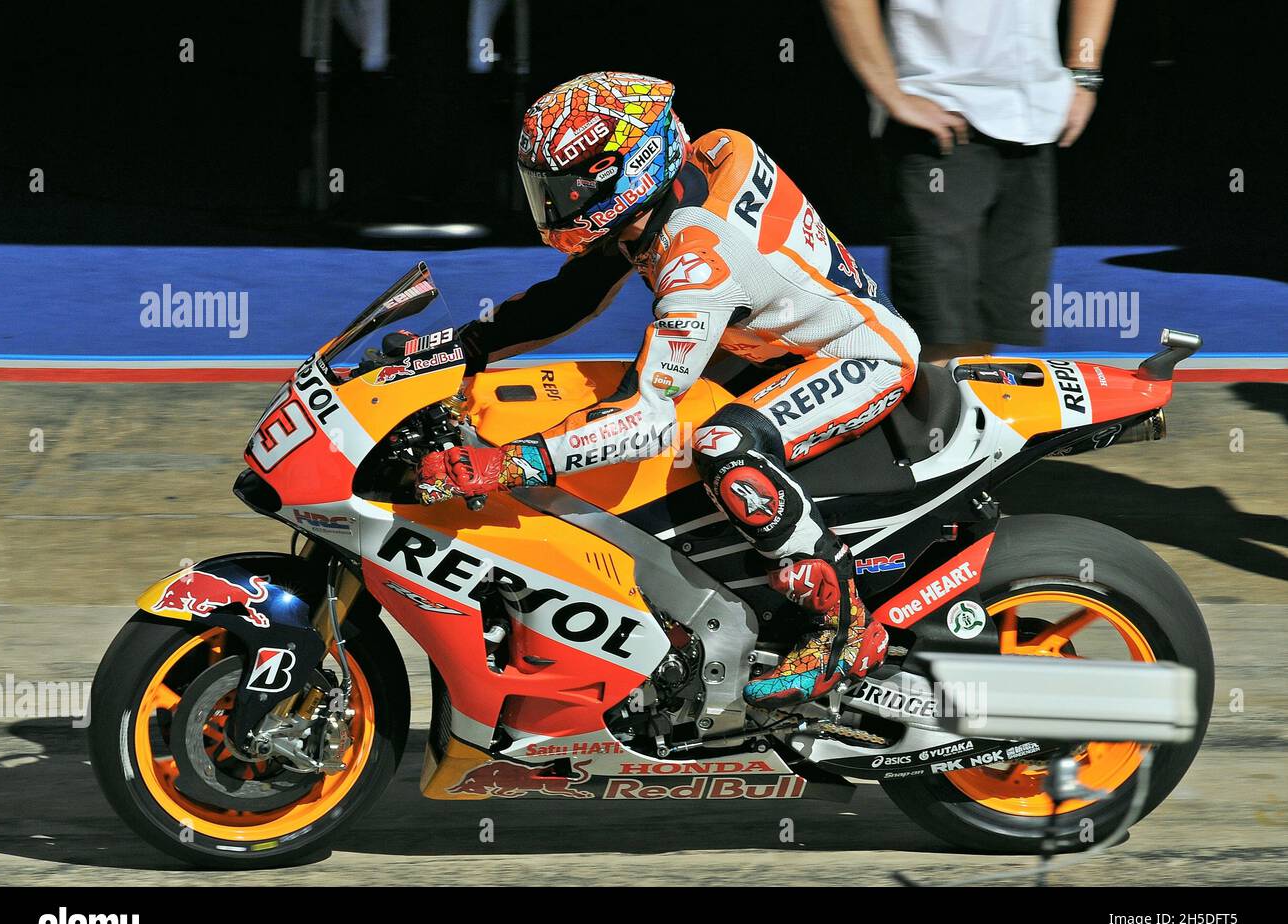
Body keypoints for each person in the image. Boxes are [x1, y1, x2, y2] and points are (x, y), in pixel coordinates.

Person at [415, 71, 920, 709]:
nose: (553, 203)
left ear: (627, 170)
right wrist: (460, 349)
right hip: (771, 343)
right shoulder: (685, 175)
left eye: (568, 187)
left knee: (722, 447)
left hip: (857, 354)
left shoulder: (697, 259)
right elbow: (571, 295)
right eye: (545, 187)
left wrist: (507, 463)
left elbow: (643, 416)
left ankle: (843, 626)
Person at [823, 0, 1117, 362]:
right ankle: (932, 418)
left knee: (986, 332)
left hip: (1034, 119)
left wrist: (1084, 72)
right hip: (943, 122)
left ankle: (960, 416)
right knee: (939, 335)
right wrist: (890, 91)